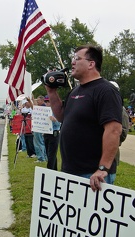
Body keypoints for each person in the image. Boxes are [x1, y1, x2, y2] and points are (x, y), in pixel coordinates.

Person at [45, 44, 122, 191]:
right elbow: (62, 116)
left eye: (77, 58)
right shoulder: (75, 91)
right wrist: (52, 92)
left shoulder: (106, 91)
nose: (72, 62)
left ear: (91, 64)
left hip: (93, 175)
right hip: (71, 170)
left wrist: (102, 168)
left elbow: (114, 130)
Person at [43, 95, 61, 170]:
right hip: (46, 134)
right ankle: (54, 170)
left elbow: (59, 123)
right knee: (49, 154)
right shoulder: (44, 111)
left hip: (54, 134)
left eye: (48, 101)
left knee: (51, 155)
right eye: (46, 101)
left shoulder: (56, 111)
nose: (47, 103)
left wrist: (55, 120)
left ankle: (49, 170)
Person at [33, 95, 47, 162]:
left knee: (38, 143)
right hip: (39, 127)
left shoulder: (43, 107)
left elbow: (35, 107)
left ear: (42, 100)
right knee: (41, 142)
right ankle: (44, 156)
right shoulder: (43, 107)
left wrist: (32, 99)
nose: (37, 102)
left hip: (39, 127)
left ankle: (41, 158)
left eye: (38, 100)